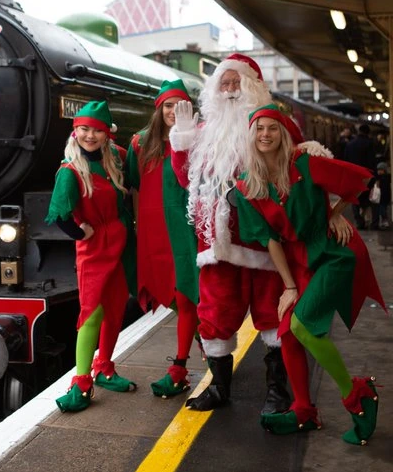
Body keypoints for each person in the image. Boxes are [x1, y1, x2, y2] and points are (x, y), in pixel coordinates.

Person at [168, 53, 327, 414]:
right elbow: (184, 181)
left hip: (267, 244)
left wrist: (331, 214)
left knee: (274, 317)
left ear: (253, 87)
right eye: (223, 83)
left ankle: (278, 391)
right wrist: (182, 142)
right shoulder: (205, 135)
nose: (229, 90)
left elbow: (308, 175)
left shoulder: (275, 126)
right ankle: (219, 388)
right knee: (215, 315)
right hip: (219, 246)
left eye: (236, 82)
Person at [234, 103, 386, 445]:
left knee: (303, 325)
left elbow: (357, 181)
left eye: (272, 128)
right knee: (288, 331)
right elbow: (270, 239)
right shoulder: (247, 184)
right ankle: (303, 410)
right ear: (250, 136)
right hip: (296, 258)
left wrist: (334, 212)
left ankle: (357, 394)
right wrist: (288, 286)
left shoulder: (303, 163)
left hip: (333, 252)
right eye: (259, 129)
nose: (265, 135)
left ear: (284, 134)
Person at [46, 100, 137, 412]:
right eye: (84, 128)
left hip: (121, 245)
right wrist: (80, 232)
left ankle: (105, 368)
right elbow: (58, 214)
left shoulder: (117, 158)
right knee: (91, 313)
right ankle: (82, 381)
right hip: (95, 251)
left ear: (106, 134)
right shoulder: (70, 171)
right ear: (75, 131)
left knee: (115, 309)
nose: (90, 135)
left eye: (97, 130)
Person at [125, 79, 199, 398]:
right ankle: (200, 339)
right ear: (159, 110)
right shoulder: (140, 143)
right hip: (155, 233)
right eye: (168, 106)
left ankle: (179, 368)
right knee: (169, 294)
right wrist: (139, 225)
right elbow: (134, 188)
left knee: (186, 295)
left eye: (180, 105)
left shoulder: (197, 140)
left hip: (187, 230)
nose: (173, 111)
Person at [343, 124, 376, 229]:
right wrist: (373, 178)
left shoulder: (350, 144)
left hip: (353, 176)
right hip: (366, 176)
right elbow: (372, 161)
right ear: (368, 132)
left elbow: (345, 161)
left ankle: (359, 221)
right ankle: (368, 220)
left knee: (355, 200)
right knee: (367, 199)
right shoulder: (370, 144)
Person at [372, 162, 391, 230]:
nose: (379, 171)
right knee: (381, 210)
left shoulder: (386, 178)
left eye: (381, 170)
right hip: (380, 198)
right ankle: (383, 221)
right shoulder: (378, 178)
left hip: (384, 198)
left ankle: (384, 220)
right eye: (378, 170)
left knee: (383, 210)